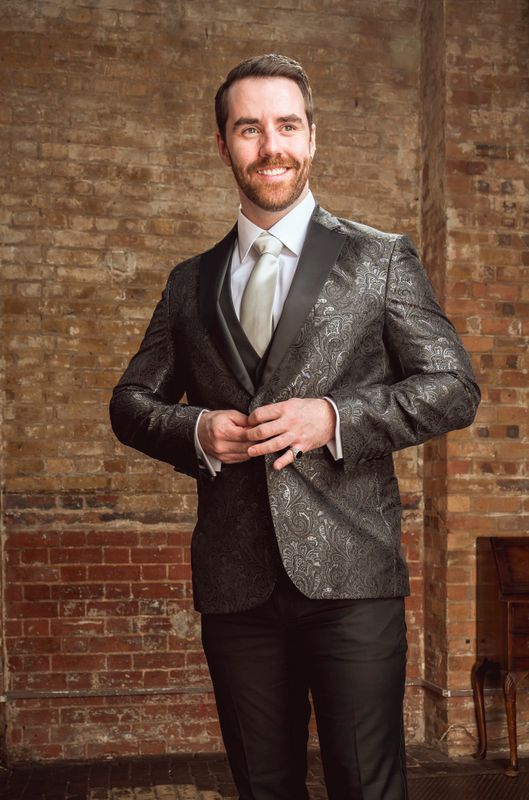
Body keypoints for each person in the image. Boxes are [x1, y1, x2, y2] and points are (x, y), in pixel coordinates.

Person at [110, 54, 480, 800]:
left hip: (352, 579)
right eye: (248, 129)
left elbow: (453, 388)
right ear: (224, 145)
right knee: (263, 786)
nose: (268, 145)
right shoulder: (191, 281)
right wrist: (195, 430)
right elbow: (130, 402)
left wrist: (335, 418)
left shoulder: (379, 260)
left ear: (311, 137)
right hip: (235, 584)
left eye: (285, 125)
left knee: (365, 786)